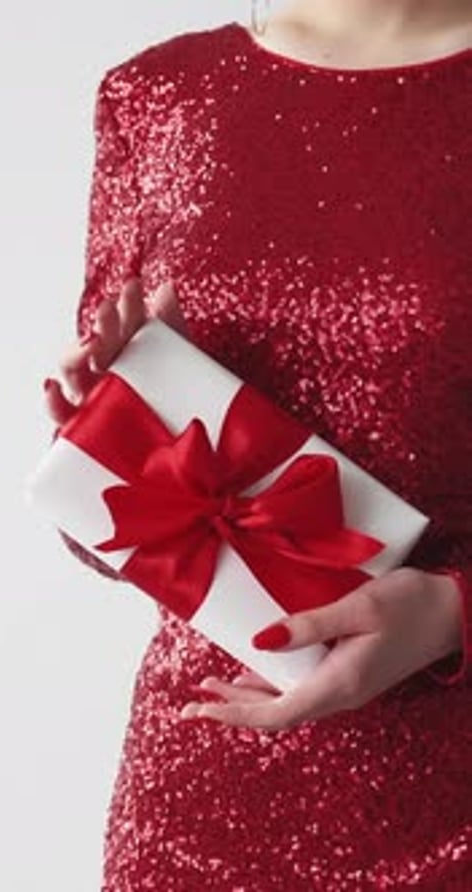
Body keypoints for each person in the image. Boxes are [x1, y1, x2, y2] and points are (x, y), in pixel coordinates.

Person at [44, 1, 472, 887]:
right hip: (203, 788)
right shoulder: (155, 98)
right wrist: (102, 437)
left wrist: (453, 613)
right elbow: (107, 536)